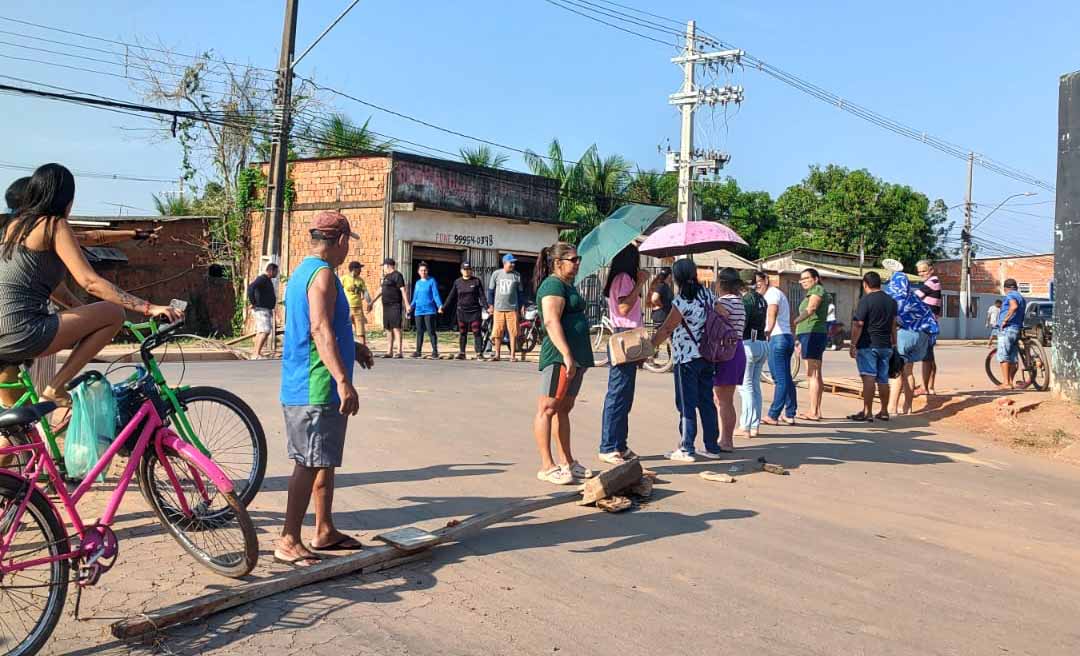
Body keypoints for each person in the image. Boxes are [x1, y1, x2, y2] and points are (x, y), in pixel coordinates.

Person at [0, 164, 182, 407]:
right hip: (24, 332)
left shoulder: (13, 229)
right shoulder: (54, 225)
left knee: (20, 428)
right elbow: (90, 282)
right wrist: (148, 308)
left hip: (4, 341)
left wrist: (82, 315)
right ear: (66, 199)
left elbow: (52, 287)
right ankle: (56, 387)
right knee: (113, 312)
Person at [276, 211, 374, 567]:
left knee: (323, 459)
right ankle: (288, 538)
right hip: (314, 386)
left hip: (312, 383)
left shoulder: (303, 272)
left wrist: (355, 348)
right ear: (342, 241)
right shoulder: (322, 278)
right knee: (307, 462)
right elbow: (319, 329)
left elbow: (327, 326)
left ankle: (324, 529)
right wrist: (343, 381)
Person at [532, 242, 594, 485]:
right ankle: (547, 466)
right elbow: (550, 321)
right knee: (547, 408)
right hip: (559, 357)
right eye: (573, 259)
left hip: (576, 358)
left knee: (563, 409)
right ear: (558, 263)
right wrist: (567, 354)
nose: (578, 263)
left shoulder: (568, 285)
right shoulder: (552, 285)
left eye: (578, 259)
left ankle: (567, 461)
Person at [650, 259, 721, 462]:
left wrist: (649, 348)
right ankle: (712, 447)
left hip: (686, 358)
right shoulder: (707, 294)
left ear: (677, 277)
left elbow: (666, 328)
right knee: (706, 401)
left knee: (686, 403)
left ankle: (687, 447)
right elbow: (721, 313)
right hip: (708, 355)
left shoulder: (681, 301)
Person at [598, 244, 648, 465]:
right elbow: (625, 308)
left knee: (625, 395)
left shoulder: (623, 279)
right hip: (623, 335)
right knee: (618, 393)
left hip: (630, 335)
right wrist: (640, 283)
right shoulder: (623, 279)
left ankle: (620, 443)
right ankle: (609, 446)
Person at [886, 271, 939, 416]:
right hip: (921, 336)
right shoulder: (914, 297)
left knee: (896, 372)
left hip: (904, 335)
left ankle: (892, 407)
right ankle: (908, 407)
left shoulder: (894, 298)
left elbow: (892, 320)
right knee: (908, 372)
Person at [847, 272, 897, 422]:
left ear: (865, 284)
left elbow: (858, 324)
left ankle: (867, 412)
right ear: (879, 284)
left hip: (868, 345)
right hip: (886, 346)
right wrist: (894, 344)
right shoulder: (891, 301)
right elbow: (894, 324)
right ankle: (883, 411)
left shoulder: (866, 300)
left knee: (868, 377)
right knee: (883, 379)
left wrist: (853, 344)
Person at [711, 268, 747, 454]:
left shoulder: (724, 302)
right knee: (725, 399)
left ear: (721, 283)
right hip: (737, 349)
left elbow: (719, 316)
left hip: (726, 351)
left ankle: (726, 441)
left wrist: (711, 304)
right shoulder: (739, 301)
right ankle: (725, 439)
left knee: (722, 400)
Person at [760, 273, 797, 425]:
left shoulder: (771, 294)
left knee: (779, 379)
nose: (756, 286)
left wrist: (767, 331)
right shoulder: (779, 293)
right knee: (786, 378)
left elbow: (772, 312)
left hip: (777, 338)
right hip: (786, 337)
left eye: (758, 283)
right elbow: (793, 315)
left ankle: (773, 414)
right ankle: (790, 413)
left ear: (766, 281)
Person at [792, 268, 828, 421]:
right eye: (801, 279)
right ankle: (816, 410)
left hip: (812, 333)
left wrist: (795, 321)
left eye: (806, 278)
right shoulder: (812, 292)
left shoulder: (818, 290)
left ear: (815, 278)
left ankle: (813, 411)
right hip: (811, 334)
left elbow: (812, 308)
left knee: (812, 373)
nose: (803, 281)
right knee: (816, 373)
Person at [738, 270, 770, 438]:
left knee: (745, 386)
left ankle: (746, 426)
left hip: (748, 344)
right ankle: (755, 425)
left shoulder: (746, 300)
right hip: (762, 343)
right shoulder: (761, 299)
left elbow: (742, 324)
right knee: (755, 385)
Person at [440, 261, 486, 360]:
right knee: (462, 332)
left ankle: (479, 353)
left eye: (468, 269)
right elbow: (451, 296)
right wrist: (443, 307)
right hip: (462, 311)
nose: (467, 271)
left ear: (471, 270)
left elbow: (482, 296)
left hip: (475, 311)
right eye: (465, 269)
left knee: (476, 331)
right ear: (461, 271)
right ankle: (462, 352)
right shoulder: (457, 282)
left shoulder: (476, 281)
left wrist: (487, 307)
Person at [369, 257, 410, 358]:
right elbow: (381, 291)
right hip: (386, 306)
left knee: (396, 327)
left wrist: (407, 304)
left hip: (395, 305)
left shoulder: (398, 275)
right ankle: (389, 351)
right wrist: (371, 302)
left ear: (387, 265)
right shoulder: (386, 277)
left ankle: (399, 351)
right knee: (388, 328)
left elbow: (403, 290)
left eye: (383, 266)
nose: (383, 268)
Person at [914, 260, 943, 396]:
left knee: (926, 358)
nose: (921, 274)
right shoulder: (934, 283)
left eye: (924, 271)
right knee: (930, 357)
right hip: (931, 324)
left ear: (931, 270)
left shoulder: (932, 282)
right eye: (919, 272)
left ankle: (925, 388)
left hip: (927, 325)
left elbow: (914, 297)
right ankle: (930, 387)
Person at [488, 253, 524, 362]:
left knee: (513, 332)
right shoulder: (496, 274)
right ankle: (497, 354)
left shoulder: (517, 275)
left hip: (512, 308)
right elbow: (490, 291)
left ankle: (512, 355)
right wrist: (491, 305)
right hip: (498, 308)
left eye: (514, 262)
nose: (512, 264)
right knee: (497, 332)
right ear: (504, 263)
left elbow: (520, 293)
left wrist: (522, 306)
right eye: (511, 262)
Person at [995, 278, 1027, 390]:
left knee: (1003, 356)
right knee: (1013, 358)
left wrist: (1005, 320)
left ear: (1005, 289)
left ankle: (1006, 383)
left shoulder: (1010, 295)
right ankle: (1011, 382)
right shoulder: (1021, 298)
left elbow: (1013, 307)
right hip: (1016, 329)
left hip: (1008, 328)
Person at [411, 262, 442, 358]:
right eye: (421, 270)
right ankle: (418, 351)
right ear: (418, 272)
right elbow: (415, 297)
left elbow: (435, 294)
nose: (423, 272)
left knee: (431, 331)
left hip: (430, 310)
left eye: (425, 270)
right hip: (418, 310)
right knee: (419, 331)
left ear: (427, 271)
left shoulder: (432, 281)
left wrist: (440, 305)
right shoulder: (417, 283)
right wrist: (410, 307)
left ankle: (435, 351)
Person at [247, 263, 279, 359]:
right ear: (270, 271)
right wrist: (253, 302)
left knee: (261, 331)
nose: (276, 274)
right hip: (261, 309)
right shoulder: (262, 278)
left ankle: (256, 353)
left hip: (265, 309)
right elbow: (251, 287)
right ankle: (256, 354)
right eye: (276, 272)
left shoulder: (267, 280)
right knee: (265, 331)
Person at [341, 261, 371, 346]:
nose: (361, 270)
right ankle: (345, 347)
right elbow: (338, 291)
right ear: (354, 269)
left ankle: (363, 348)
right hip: (347, 308)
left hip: (358, 309)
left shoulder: (360, 280)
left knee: (360, 331)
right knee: (345, 329)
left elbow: (365, 292)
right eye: (359, 268)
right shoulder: (344, 278)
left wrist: (369, 303)